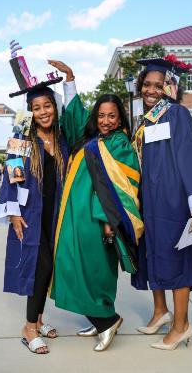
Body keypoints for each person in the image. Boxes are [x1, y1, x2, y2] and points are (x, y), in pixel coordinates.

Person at [0, 60, 80, 354]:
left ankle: (40, 318)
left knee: (50, 266)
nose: (43, 112)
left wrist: (70, 79)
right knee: (39, 266)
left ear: (54, 107)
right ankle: (29, 327)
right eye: (37, 108)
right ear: (29, 112)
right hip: (31, 214)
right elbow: (11, 179)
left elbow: (77, 117)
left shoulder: (62, 138)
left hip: (55, 214)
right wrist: (14, 214)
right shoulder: (21, 140)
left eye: (47, 106)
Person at [49, 92, 144, 352]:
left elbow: (123, 187)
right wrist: (70, 80)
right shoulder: (92, 139)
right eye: (101, 115)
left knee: (95, 271)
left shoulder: (119, 143)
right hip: (75, 218)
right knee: (73, 266)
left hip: (97, 221)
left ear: (120, 117)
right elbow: (75, 118)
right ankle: (98, 317)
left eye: (111, 115)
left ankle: (107, 321)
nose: (106, 120)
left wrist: (107, 221)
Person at [131, 56, 192, 350]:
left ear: (169, 87)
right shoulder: (145, 118)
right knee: (154, 255)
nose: (151, 90)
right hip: (151, 202)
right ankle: (160, 312)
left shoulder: (176, 114)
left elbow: (189, 158)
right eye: (147, 85)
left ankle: (181, 327)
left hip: (173, 202)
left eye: (158, 85)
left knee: (176, 259)